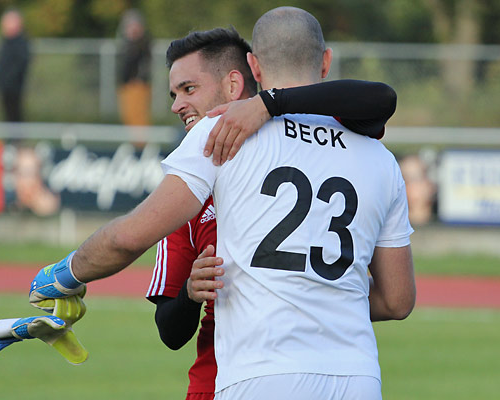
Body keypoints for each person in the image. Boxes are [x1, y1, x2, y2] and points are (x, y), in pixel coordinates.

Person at [28, 7, 415, 400]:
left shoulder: (224, 131)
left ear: (252, 67)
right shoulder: (379, 157)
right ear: (326, 61)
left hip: (261, 377)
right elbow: (397, 300)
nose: (179, 104)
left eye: (188, 90)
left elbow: (126, 238)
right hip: (358, 379)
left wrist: (65, 274)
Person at [146, 28, 401, 400]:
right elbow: (170, 332)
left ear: (237, 81)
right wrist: (190, 294)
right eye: (174, 94)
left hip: (285, 373)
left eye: (188, 89)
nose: (176, 105)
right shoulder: (190, 185)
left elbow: (379, 98)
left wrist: (268, 104)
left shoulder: (301, 146)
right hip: (219, 382)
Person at [0, 9, 30, 123]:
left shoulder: (21, 42)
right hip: (4, 85)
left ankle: (16, 139)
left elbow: (21, 63)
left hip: (14, 85)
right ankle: (10, 138)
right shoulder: (6, 42)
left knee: (14, 113)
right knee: (7, 114)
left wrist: (10, 78)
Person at [117, 9, 152, 126]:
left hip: (137, 84)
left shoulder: (142, 44)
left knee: (138, 115)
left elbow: (144, 64)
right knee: (128, 115)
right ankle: (133, 141)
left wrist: (139, 78)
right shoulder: (126, 44)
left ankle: (141, 142)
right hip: (126, 84)